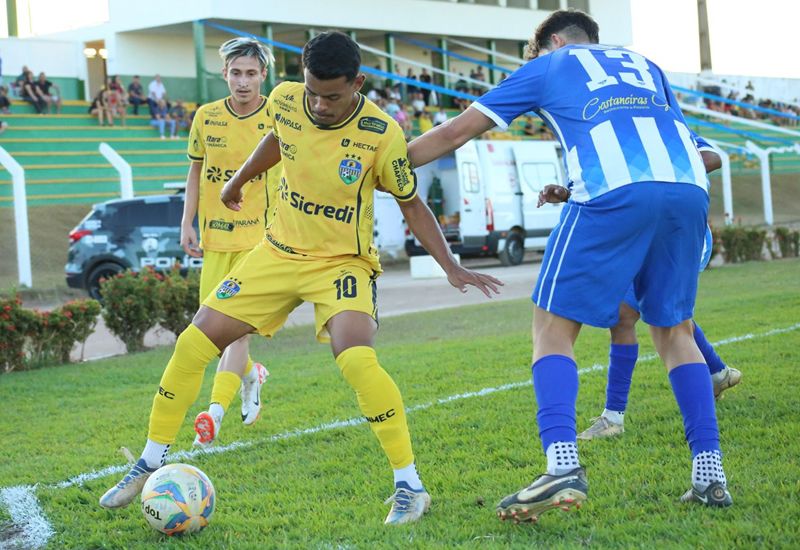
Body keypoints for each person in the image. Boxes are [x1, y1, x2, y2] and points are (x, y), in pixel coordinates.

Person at [99, 31, 502, 525]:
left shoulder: (381, 132)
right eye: (312, 91)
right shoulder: (287, 99)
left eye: (331, 96)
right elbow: (278, 138)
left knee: (356, 359)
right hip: (277, 252)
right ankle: (149, 460)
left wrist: (451, 265)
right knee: (192, 343)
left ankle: (409, 484)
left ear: (358, 83)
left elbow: (411, 203)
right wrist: (237, 179)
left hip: (341, 263)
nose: (319, 104)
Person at [407, 8, 732, 522]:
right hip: (689, 190)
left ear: (554, 40)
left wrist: (385, 165)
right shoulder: (647, 65)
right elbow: (693, 146)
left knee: (552, 327)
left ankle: (562, 463)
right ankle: (710, 475)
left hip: (613, 195)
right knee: (677, 332)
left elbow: (452, 133)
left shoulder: (550, 64)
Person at [531, 141, 742, 440]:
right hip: (633, 236)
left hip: (677, 235)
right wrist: (566, 193)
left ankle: (613, 418)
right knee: (664, 314)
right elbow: (598, 187)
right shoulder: (602, 131)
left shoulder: (658, 122)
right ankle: (717, 373)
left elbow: (713, 157)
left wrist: (659, 171)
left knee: (628, 315)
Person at [180, 38, 277, 448]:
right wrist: (186, 222)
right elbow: (195, 174)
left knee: (237, 333)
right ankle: (251, 374)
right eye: (235, 73)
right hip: (215, 240)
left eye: (251, 73)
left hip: (260, 241)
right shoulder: (205, 117)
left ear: (263, 76)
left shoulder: (278, 114)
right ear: (224, 74)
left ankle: (214, 413)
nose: (242, 81)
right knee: (214, 334)